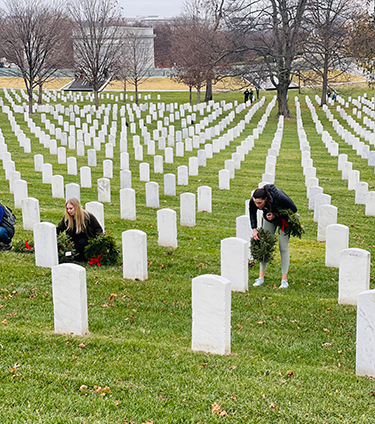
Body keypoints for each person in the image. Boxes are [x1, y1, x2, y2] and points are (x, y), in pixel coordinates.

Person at [249, 184, 297, 289]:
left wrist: (275, 214)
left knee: (283, 247)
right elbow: (252, 212)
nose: (257, 205)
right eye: (255, 202)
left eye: (259, 203)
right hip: (268, 219)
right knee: (264, 245)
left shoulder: (280, 197)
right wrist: (254, 229)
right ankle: (261, 278)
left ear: (265, 199)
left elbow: (294, 209)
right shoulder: (254, 200)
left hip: (284, 219)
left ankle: (284, 280)